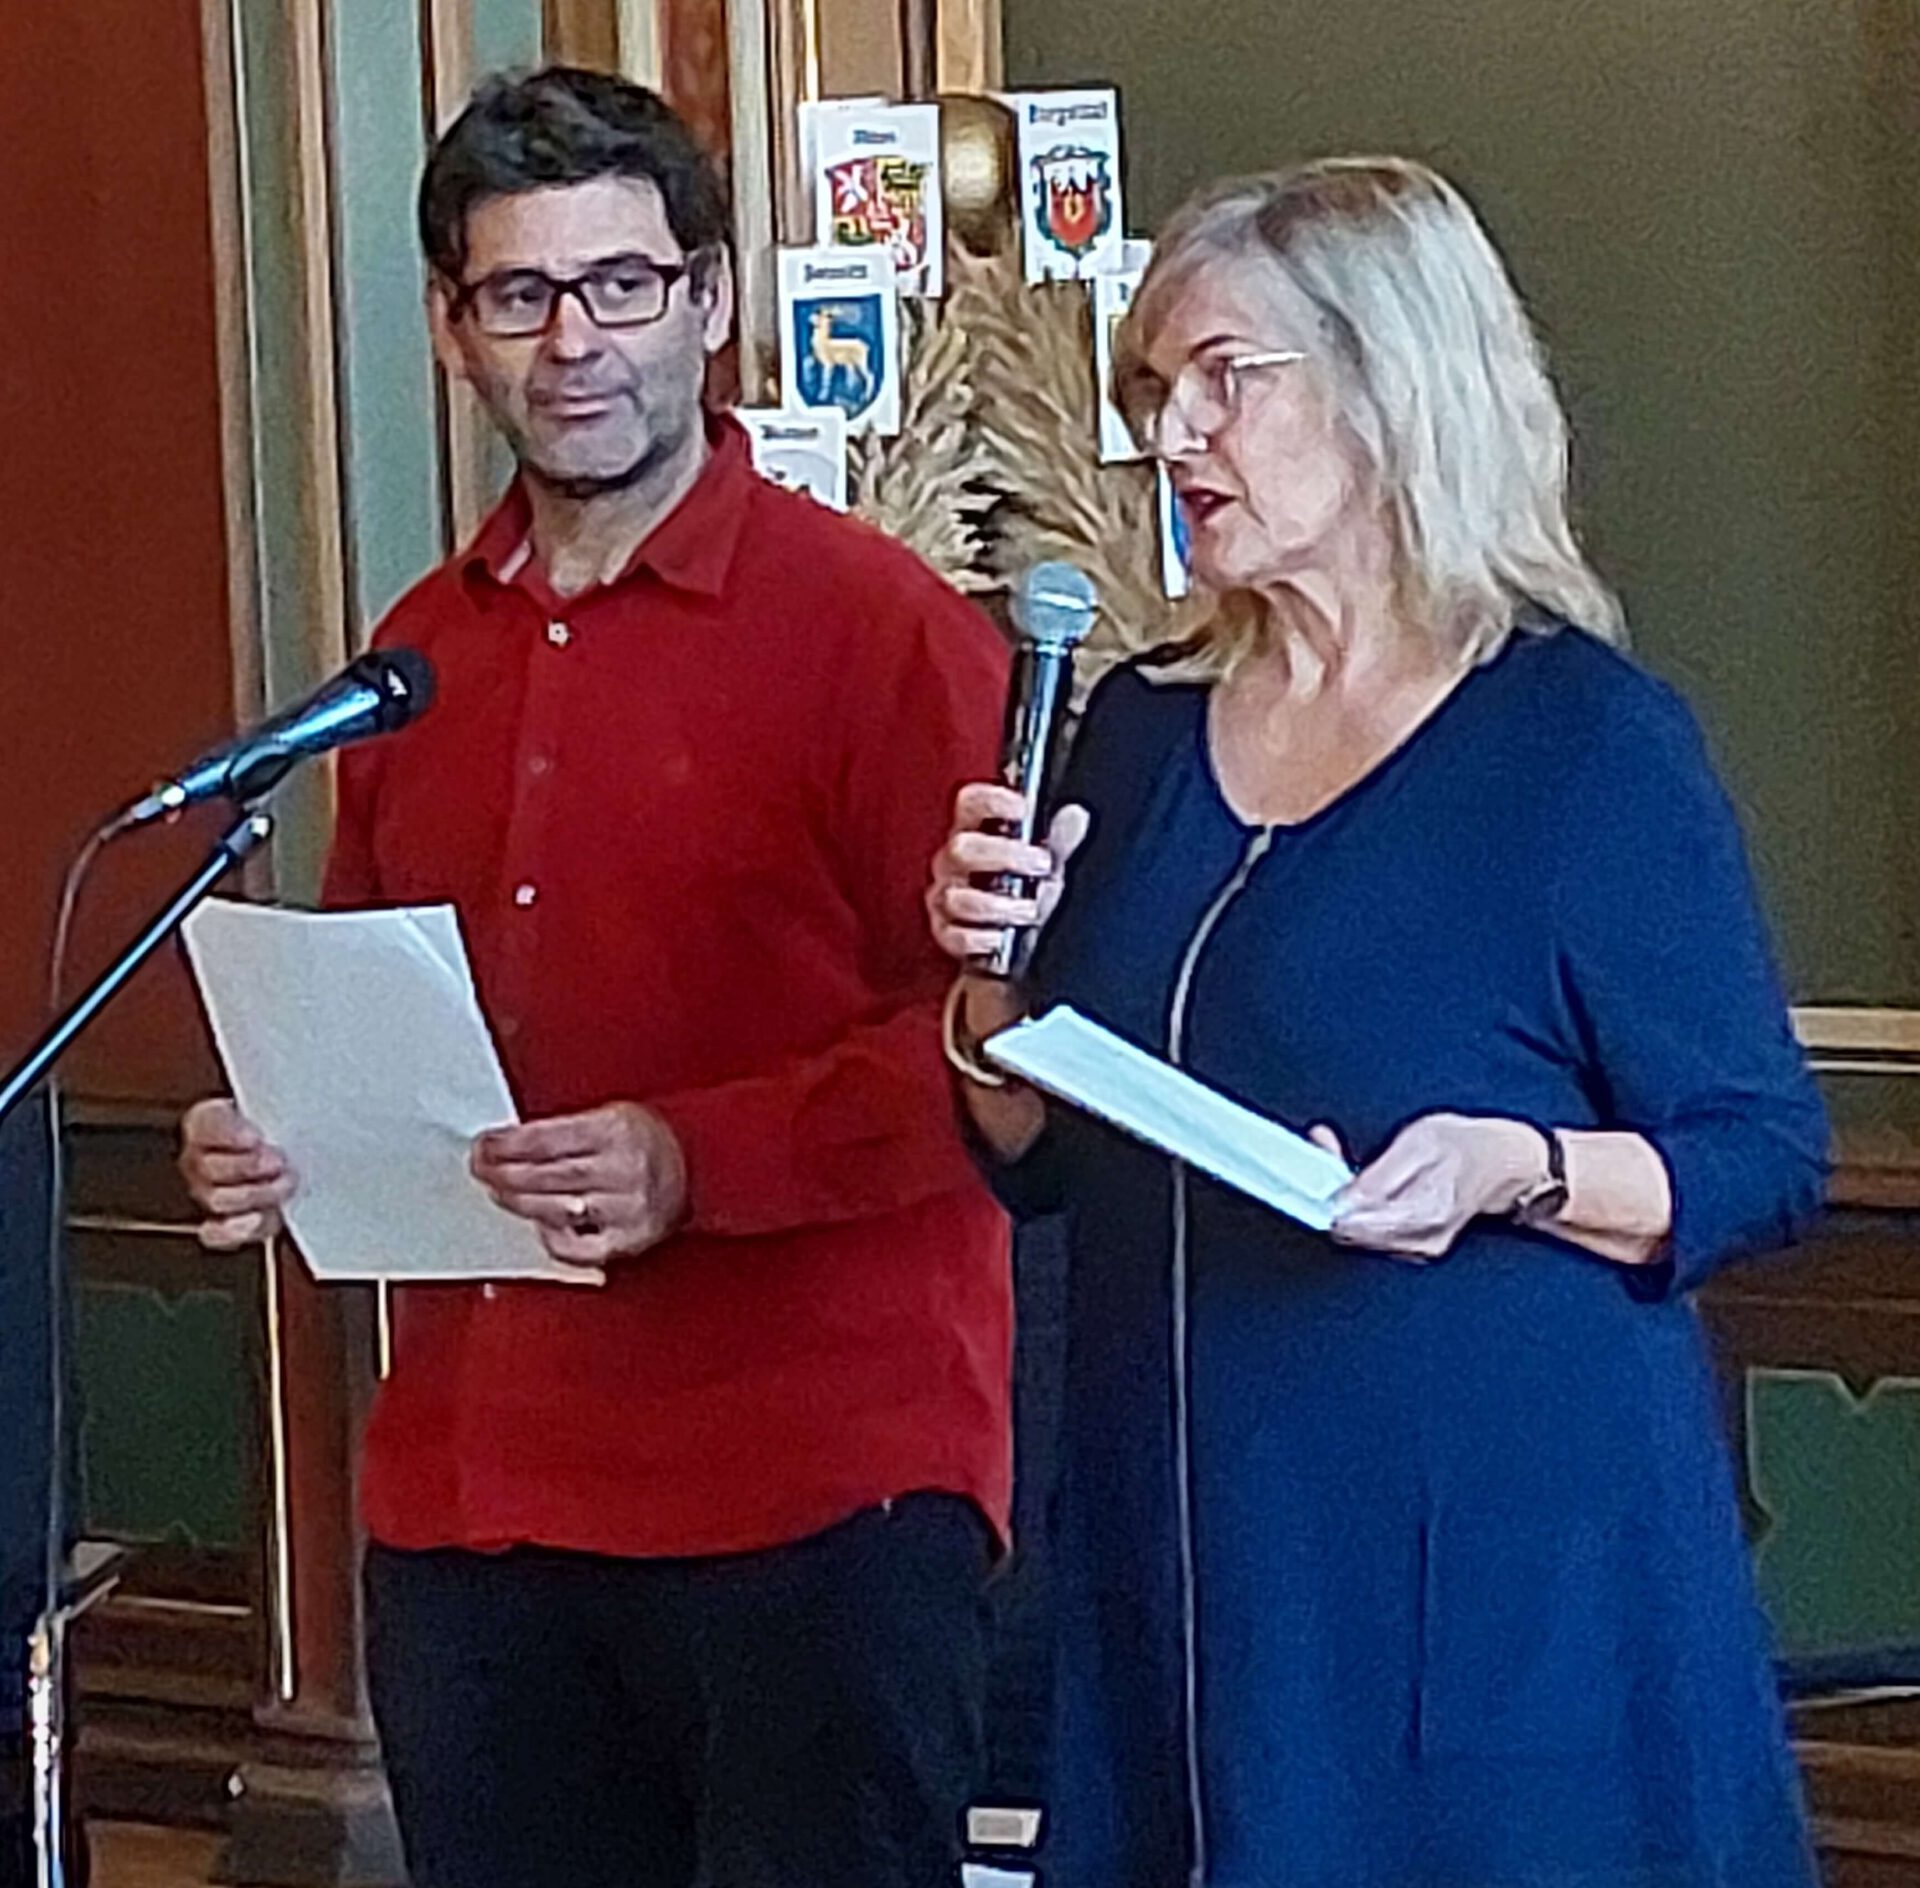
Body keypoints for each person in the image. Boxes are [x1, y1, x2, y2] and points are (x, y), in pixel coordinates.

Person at [929, 157, 1828, 1888]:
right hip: (1186, 1571)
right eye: (1152, 394)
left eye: (1222, 380)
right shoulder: (1132, 728)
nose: (1173, 437)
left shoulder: (1582, 744)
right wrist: (982, 987)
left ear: (1389, 384)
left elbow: (1762, 1154)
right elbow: (1033, 1152)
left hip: (1485, 1590)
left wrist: (1518, 1169)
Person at [180, 67, 1011, 1888]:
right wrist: (279, 1131)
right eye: (520, 295)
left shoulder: (883, 635)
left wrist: (689, 1157)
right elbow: (380, 1004)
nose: (576, 343)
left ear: (709, 302)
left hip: (813, 1494)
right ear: (451, 328)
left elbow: (993, 1065)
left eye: (621, 285)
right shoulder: (410, 655)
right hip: (482, 1506)